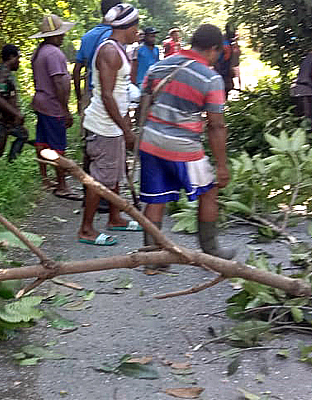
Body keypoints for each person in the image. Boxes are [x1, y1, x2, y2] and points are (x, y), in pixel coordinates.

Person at [139, 24, 236, 271]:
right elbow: (216, 126)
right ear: (214, 49)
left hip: (150, 142)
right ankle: (211, 250)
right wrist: (221, 165)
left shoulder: (158, 66)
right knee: (209, 191)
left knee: (156, 199)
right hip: (184, 148)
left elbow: (143, 104)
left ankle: (153, 259)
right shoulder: (211, 78)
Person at [78, 3, 141, 247]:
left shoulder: (120, 49)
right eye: (136, 26)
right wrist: (126, 130)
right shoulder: (110, 52)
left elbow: (121, 93)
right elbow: (106, 95)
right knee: (99, 179)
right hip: (103, 126)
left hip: (113, 126)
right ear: (128, 27)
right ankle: (86, 229)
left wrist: (126, 127)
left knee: (114, 174)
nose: (139, 31)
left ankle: (115, 218)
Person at [30, 13, 77, 198]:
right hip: (52, 105)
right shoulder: (54, 53)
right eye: (60, 34)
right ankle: (62, 185)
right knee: (58, 145)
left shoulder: (39, 51)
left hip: (41, 102)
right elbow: (59, 82)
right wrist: (65, 109)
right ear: (53, 35)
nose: (63, 36)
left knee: (41, 141)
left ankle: (45, 178)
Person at [0, 44, 28, 177]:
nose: (19, 61)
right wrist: (16, 113)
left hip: (8, 120)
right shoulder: (1, 72)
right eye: (18, 58)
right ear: (10, 57)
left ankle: (12, 164)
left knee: (23, 135)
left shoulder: (8, 74)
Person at [214, 24, 241, 97]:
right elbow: (227, 54)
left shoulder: (230, 40)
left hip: (226, 67)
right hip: (222, 67)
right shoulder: (224, 41)